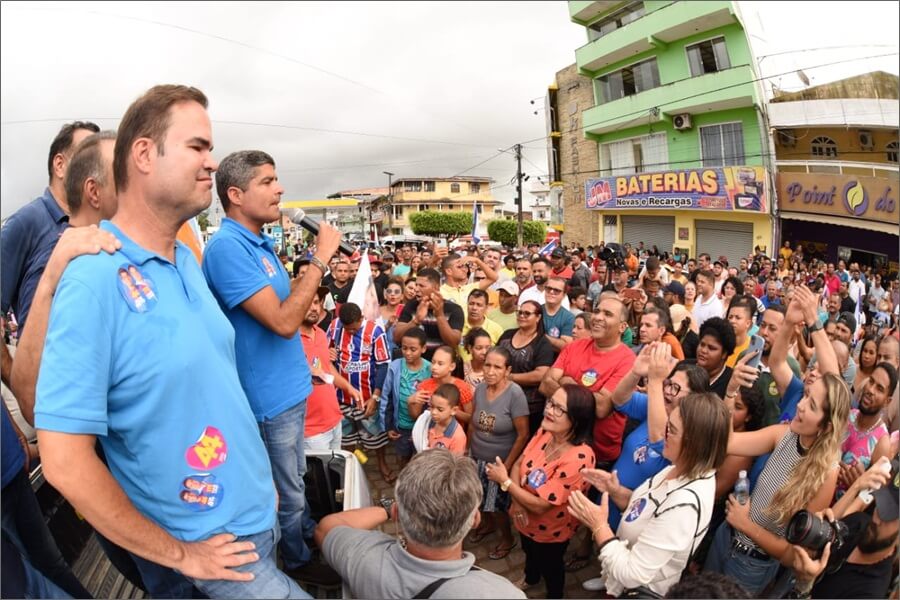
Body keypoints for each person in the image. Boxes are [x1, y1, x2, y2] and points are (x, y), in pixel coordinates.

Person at [35, 85, 312, 598]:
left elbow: (216, 386)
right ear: (144, 154)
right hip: (206, 553)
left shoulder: (185, 259)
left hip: (254, 518)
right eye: (197, 147)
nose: (212, 163)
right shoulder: (93, 280)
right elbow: (63, 461)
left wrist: (259, 482)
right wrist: (181, 556)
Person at [202, 149, 341, 584]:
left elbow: (286, 306)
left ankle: (302, 539)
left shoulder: (259, 243)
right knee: (286, 492)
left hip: (290, 390)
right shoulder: (227, 249)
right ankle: (296, 563)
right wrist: (320, 259)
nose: (279, 189)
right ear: (236, 194)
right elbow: (283, 321)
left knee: (295, 480)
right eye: (267, 181)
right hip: (267, 401)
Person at [568, 392, 730, 597]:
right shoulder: (678, 467)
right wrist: (615, 490)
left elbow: (632, 574)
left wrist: (599, 526)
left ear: (694, 444)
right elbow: (646, 511)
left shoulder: (685, 506)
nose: (663, 433)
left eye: (672, 430)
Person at [704, 371, 851, 595]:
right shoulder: (785, 434)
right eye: (805, 395)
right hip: (725, 537)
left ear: (827, 426)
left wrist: (745, 524)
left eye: (812, 405)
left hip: (750, 566)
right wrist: (731, 391)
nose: (800, 405)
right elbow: (727, 442)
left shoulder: (827, 474)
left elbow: (792, 555)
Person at [314, 449, 526, 599]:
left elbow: (326, 527)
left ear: (396, 513)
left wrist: (387, 509)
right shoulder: (501, 593)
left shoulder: (364, 558)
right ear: (475, 520)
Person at [485, 384, 596, 598]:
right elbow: (519, 463)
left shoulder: (580, 457)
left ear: (577, 418)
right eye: (551, 403)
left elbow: (540, 506)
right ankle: (531, 578)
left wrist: (505, 482)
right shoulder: (546, 431)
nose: (549, 410)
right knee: (529, 553)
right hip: (523, 518)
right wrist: (517, 504)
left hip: (551, 531)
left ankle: (554, 594)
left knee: (551, 566)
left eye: (559, 408)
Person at [1, 120, 100, 335]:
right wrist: (17, 358)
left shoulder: (100, 229)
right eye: (88, 156)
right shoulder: (25, 222)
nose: (97, 167)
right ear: (60, 165)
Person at [539, 297, 636, 471]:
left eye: (608, 314)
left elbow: (602, 408)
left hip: (597, 454)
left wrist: (567, 381)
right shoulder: (574, 347)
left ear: (622, 327)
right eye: (597, 311)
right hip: (556, 444)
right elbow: (545, 384)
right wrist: (587, 393)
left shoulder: (627, 360)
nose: (598, 317)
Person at [788, 456, 898, 599]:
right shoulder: (860, 524)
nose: (876, 517)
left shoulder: (870, 592)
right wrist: (815, 537)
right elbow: (817, 545)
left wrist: (804, 585)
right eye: (881, 503)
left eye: (887, 514)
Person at [467, 347, 530, 561]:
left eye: (497, 367)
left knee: (496, 505)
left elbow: (523, 434)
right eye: (487, 365)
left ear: (507, 370)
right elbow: (473, 423)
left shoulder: (515, 394)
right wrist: (468, 451)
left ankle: (507, 538)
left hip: (498, 463)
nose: (490, 371)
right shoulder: (480, 389)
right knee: (479, 497)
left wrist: (507, 466)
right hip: (476, 457)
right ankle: (487, 525)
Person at [328, 302, 393, 482]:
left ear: (361, 318)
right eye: (347, 329)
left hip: (367, 398)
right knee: (347, 437)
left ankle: (382, 463)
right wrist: (329, 352)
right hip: (341, 397)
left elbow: (383, 365)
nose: (351, 332)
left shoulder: (375, 332)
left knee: (375, 435)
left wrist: (375, 397)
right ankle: (352, 467)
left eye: (354, 329)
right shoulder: (334, 327)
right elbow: (323, 353)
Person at [497, 300, 556, 434]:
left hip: (528, 405)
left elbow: (540, 375)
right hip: (501, 397)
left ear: (538, 317)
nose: (522, 316)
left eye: (527, 313)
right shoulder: (507, 335)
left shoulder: (543, 343)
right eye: (519, 312)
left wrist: (509, 377)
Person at [836, 362, 895, 497]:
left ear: (887, 401)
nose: (871, 390)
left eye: (879, 389)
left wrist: (857, 486)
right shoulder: (848, 415)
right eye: (871, 381)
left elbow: (871, 497)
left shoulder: (882, 443)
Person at [381, 328, 431, 470]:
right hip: (401, 427)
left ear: (423, 348)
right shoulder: (395, 367)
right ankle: (402, 478)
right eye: (404, 348)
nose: (408, 353)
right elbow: (387, 397)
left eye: (413, 349)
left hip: (422, 427)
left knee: (421, 460)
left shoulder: (430, 369)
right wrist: (388, 426)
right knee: (402, 458)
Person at [394, 268, 464, 360]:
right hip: (414, 364)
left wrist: (440, 316)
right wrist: (416, 320)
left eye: (421, 286)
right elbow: (397, 338)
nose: (416, 289)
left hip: (440, 364)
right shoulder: (411, 306)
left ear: (436, 287)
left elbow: (453, 343)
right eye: (416, 285)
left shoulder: (454, 309)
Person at [408, 345, 474, 425]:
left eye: (440, 364)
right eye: (433, 362)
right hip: (429, 430)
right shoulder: (424, 386)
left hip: (453, 432)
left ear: (452, 366)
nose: (434, 367)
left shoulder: (462, 387)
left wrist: (452, 410)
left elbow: (470, 419)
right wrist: (411, 402)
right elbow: (416, 417)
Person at [694, 317, 735, 398]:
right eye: (702, 344)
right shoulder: (684, 367)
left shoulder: (731, 382)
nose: (703, 351)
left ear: (724, 354)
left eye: (711, 348)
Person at [421, 383, 467, 455]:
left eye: (440, 409)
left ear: (454, 410)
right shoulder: (428, 421)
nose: (434, 412)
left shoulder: (458, 437)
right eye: (432, 406)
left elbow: (454, 461)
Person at [459, 289, 503, 361]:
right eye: (471, 304)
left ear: (486, 307)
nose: (474, 308)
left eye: (479, 305)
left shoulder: (496, 329)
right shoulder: (458, 325)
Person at [542, 276, 575, 353]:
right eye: (548, 288)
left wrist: (541, 336)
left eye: (556, 290)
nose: (551, 292)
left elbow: (566, 346)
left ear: (564, 295)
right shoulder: (535, 310)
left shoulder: (569, 317)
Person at [725, 295, 756, 368]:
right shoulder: (721, 344)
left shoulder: (752, 348)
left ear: (748, 323)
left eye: (737, 318)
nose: (732, 321)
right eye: (730, 317)